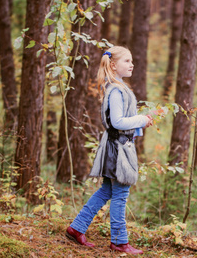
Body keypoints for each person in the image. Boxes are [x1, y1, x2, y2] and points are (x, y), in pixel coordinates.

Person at [65, 46, 153, 255]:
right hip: (117, 150)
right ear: (113, 65)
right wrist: (141, 118)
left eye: (132, 61)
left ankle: (76, 228)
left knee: (107, 190)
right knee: (120, 193)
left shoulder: (119, 87)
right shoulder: (115, 90)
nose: (132, 64)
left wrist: (141, 124)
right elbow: (117, 121)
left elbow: (121, 122)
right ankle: (119, 242)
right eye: (127, 61)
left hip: (119, 145)